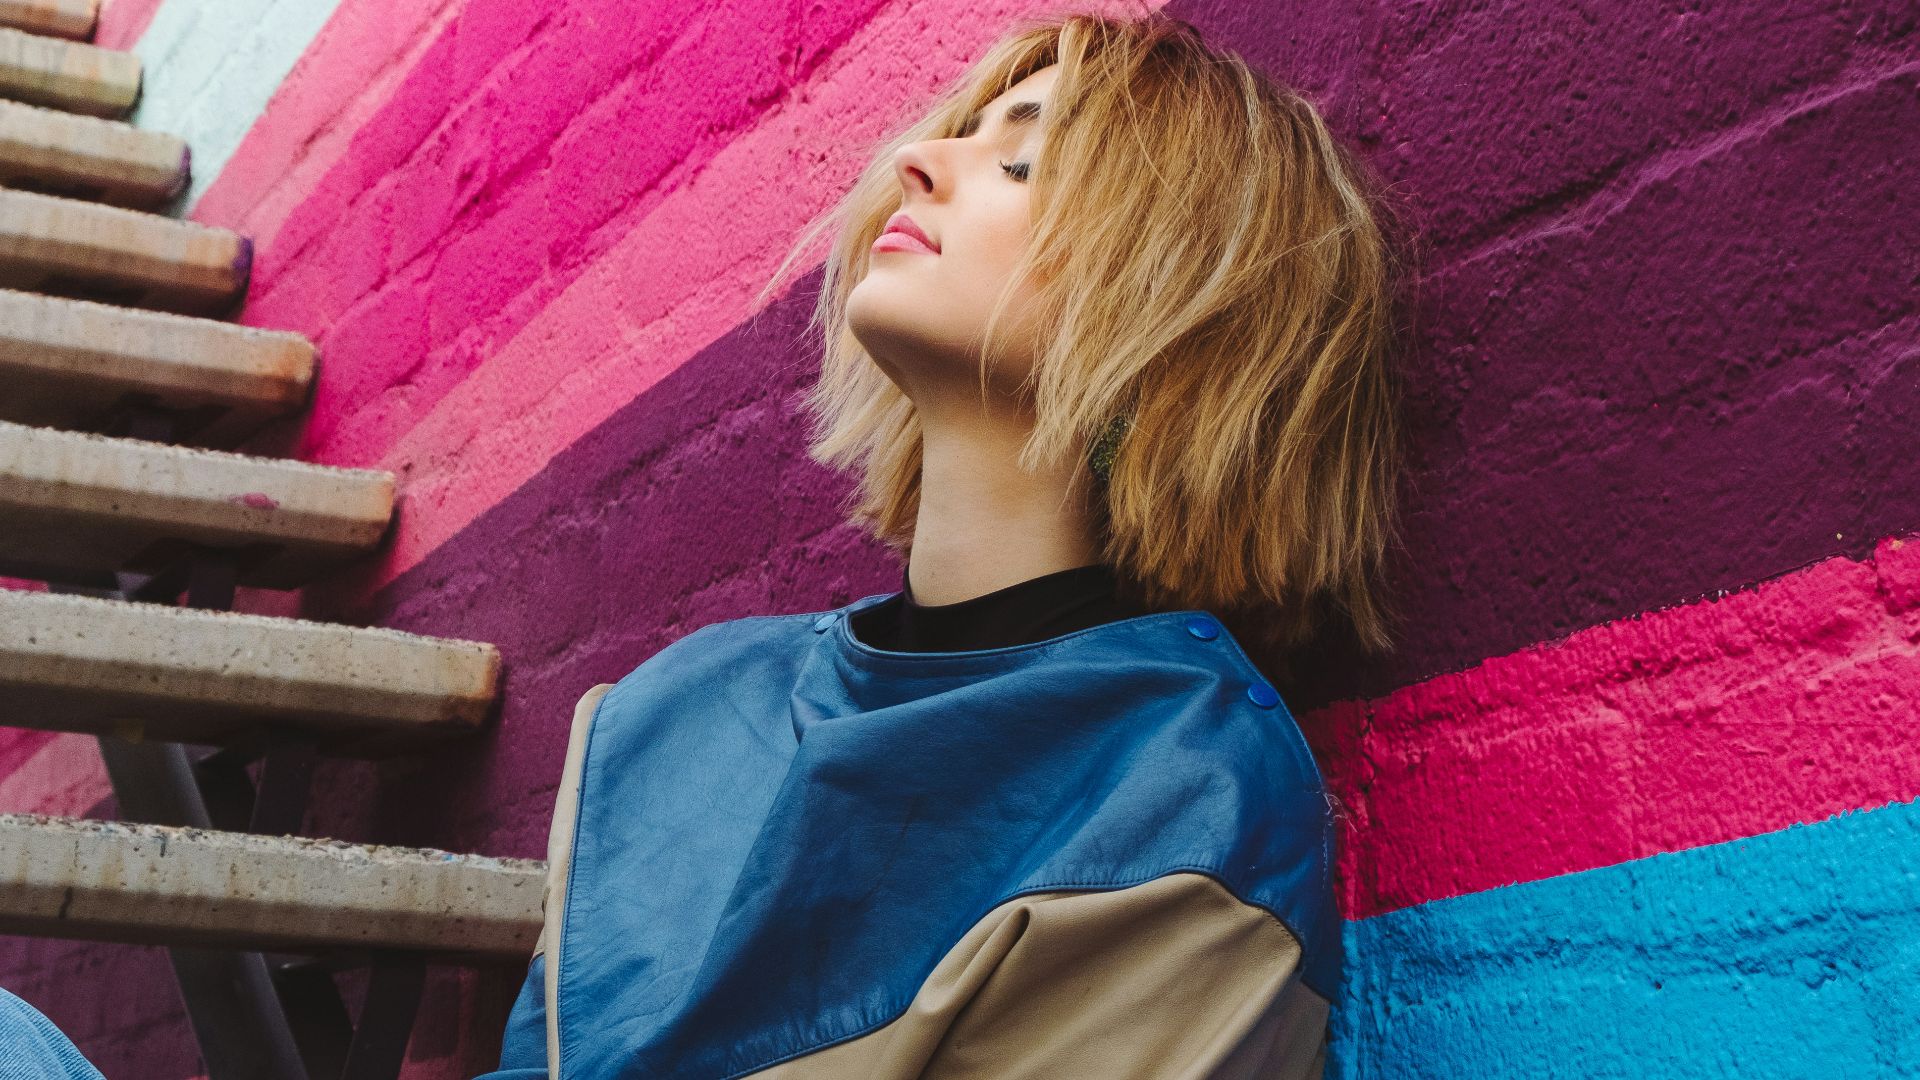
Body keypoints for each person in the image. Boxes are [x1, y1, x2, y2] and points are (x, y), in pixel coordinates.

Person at [483, 9, 1410, 1079]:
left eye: (1020, 162)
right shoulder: (670, 708)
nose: (916, 162)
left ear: (1174, 296)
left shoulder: (1183, 811)